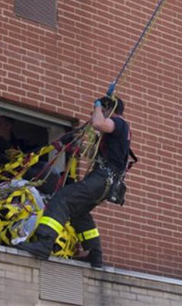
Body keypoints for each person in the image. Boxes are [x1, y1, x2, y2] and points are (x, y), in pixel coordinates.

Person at [18, 95, 130, 268]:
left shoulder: (119, 124)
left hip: (103, 178)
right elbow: (96, 153)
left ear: (109, 109)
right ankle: (95, 254)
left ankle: (44, 243)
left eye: (103, 110)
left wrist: (98, 106)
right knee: (78, 212)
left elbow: (98, 123)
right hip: (105, 181)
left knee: (62, 198)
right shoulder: (115, 134)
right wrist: (75, 146)